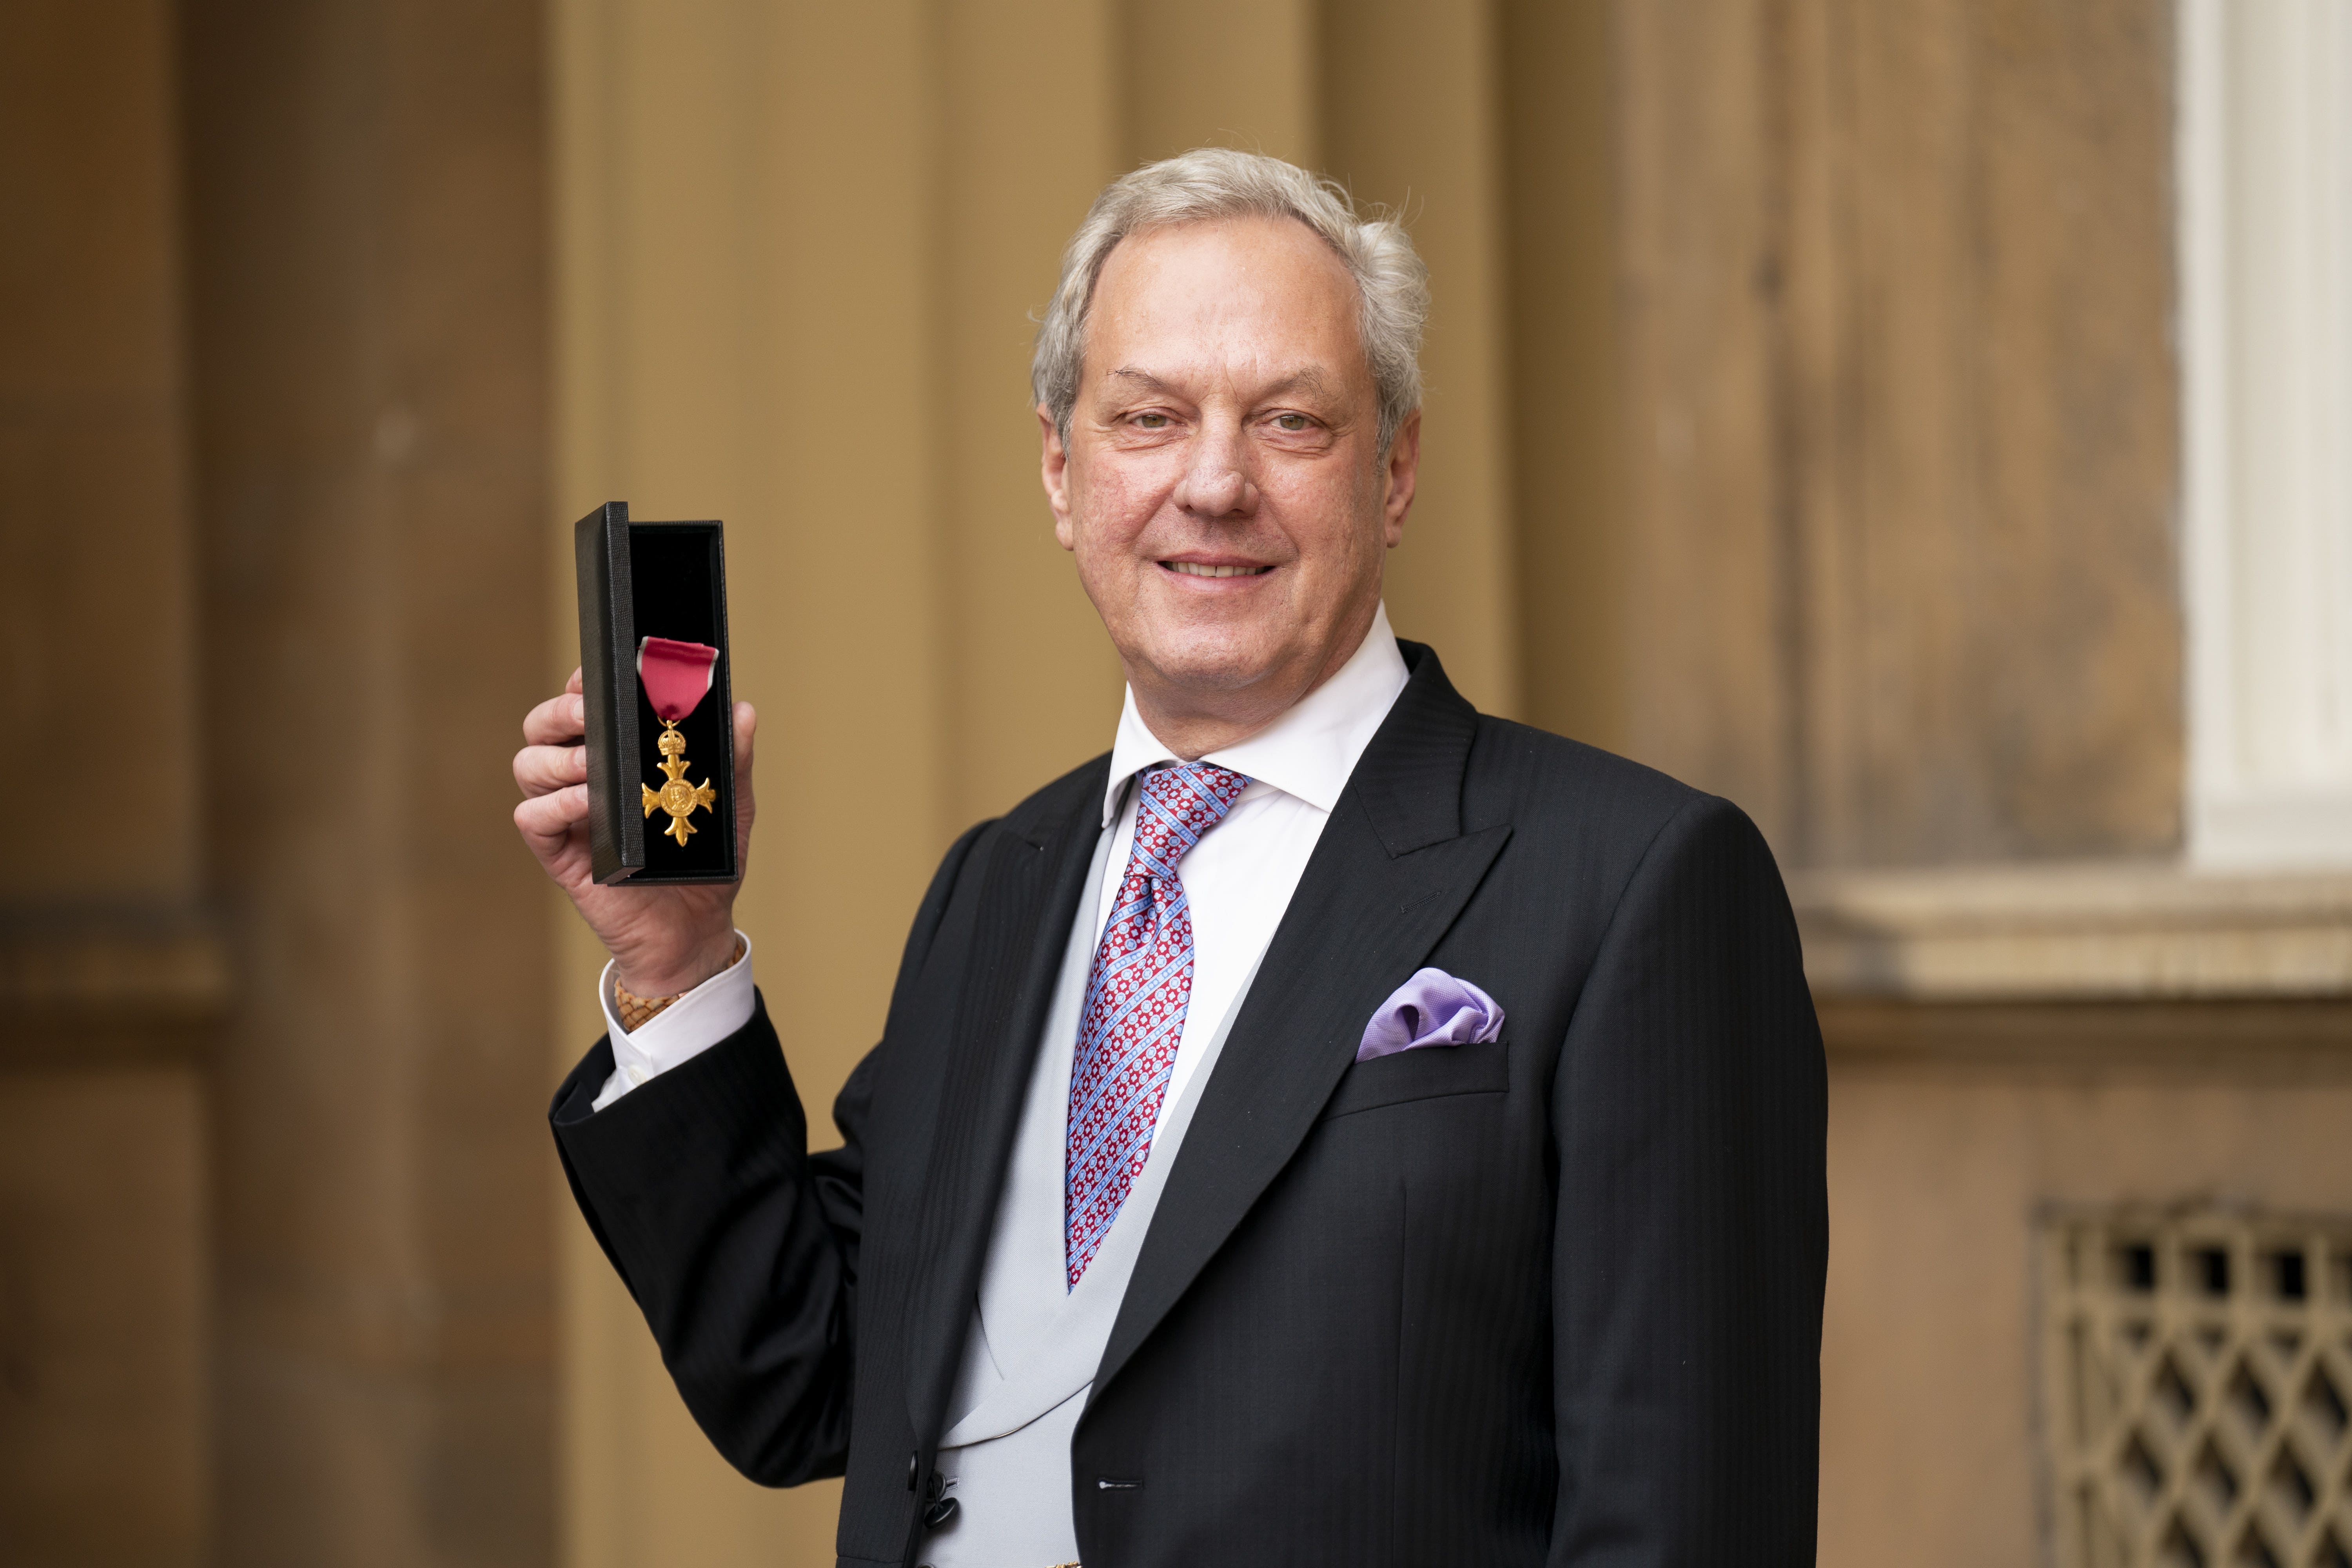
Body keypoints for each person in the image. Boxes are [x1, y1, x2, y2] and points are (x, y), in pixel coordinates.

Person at [513, 149, 1826, 1568]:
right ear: (1062, 472)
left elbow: (1685, 1517)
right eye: (1148, 419)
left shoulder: (1639, 885)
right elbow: (812, 1375)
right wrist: (679, 962)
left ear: (1394, 471)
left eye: (1290, 423)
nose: (1214, 484)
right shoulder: (997, 886)